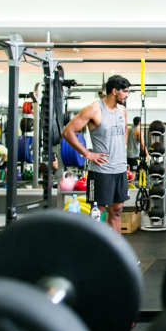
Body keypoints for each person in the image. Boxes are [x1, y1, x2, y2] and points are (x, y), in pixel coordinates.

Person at [62, 75, 131, 234]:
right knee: (97, 212)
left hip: (119, 169)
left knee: (117, 211)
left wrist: (123, 146)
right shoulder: (94, 109)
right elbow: (67, 132)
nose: (127, 95)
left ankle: (116, 253)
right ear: (114, 91)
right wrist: (87, 153)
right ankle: (93, 252)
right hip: (100, 171)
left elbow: (125, 128)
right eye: (125, 92)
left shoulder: (122, 109)